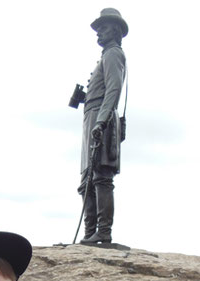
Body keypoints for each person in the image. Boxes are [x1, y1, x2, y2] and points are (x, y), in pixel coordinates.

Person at [77, 8, 128, 245]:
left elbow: (114, 89)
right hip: (92, 117)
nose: (99, 34)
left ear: (115, 30)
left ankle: (103, 231)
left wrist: (101, 120)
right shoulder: (105, 56)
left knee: (101, 176)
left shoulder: (113, 54)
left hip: (101, 118)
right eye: (97, 31)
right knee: (87, 179)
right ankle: (89, 233)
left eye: (103, 29)